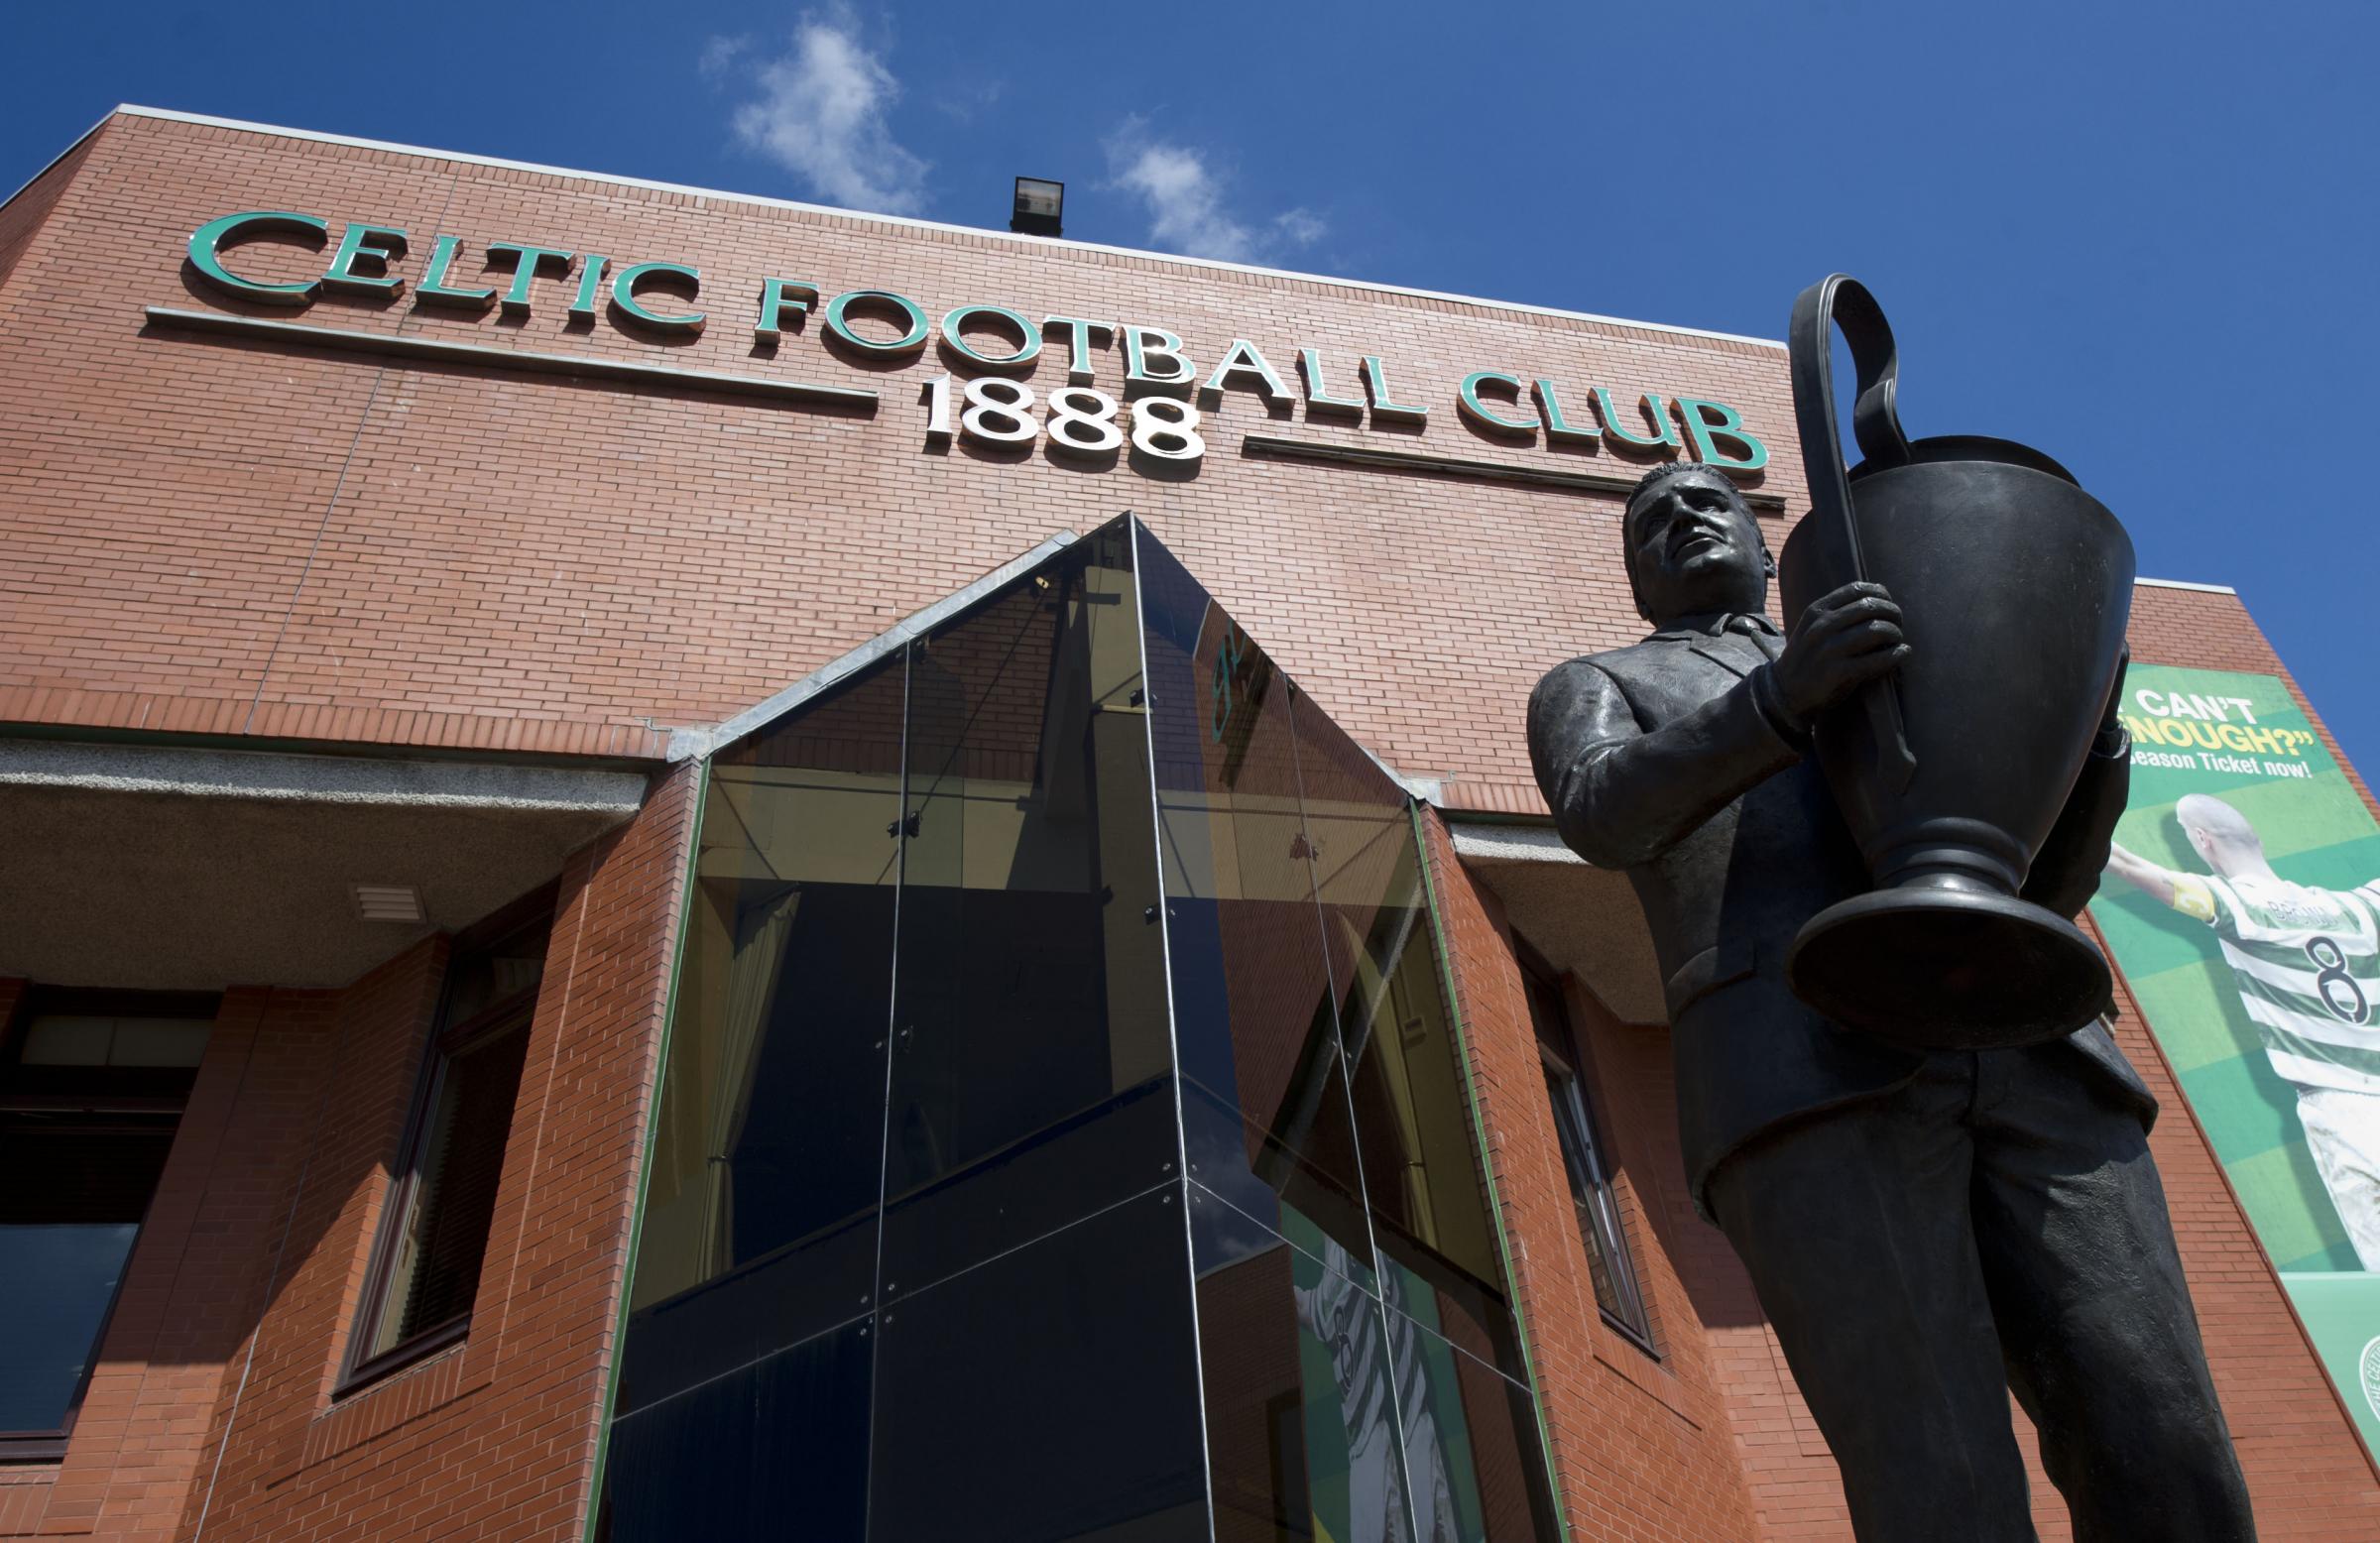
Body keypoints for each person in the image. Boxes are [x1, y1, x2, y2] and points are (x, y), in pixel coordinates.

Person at [1526, 460, 2254, 1541]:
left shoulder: (1911, 651)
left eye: (1706, 502)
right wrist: (1779, 698)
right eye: (1651, 522)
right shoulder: (1597, 679)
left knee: (2164, 1434)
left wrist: (2091, 737)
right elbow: (1603, 812)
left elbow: (2045, 886)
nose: (1680, 519)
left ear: (1770, 547)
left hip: (2029, 1053)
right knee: (1936, 1469)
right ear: (1636, 583)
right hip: (1805, 1079)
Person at [2106, 795, 2380, 1265]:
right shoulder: (2358, 907)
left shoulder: (2236, 903)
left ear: (2201, 841)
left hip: (2337, 1101)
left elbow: (2133, 868)